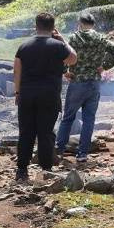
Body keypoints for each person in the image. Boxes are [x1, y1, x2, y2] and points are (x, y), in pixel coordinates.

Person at [14, 13, 77, 182]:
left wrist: (18, 92)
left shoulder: (24, 46)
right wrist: (63, 39)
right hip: (49, 95)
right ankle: (46, 169)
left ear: (36, 26)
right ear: (52, 27)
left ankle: (21, 170)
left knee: (26, 132)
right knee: (45, 132)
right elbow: (73, 59)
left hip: (27, 95)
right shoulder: (58, 46)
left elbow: (17, 71)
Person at [55, 13, 114, 164]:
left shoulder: (75, 38)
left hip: (77, 81)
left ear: (80, 23)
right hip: (94, 83)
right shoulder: (101, 38)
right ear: (93, 24)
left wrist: (65, 72)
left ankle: (59, 150)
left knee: (68, 117)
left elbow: (66, 54)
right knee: (89, 119)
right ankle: (82, 153)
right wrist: (104, 66)